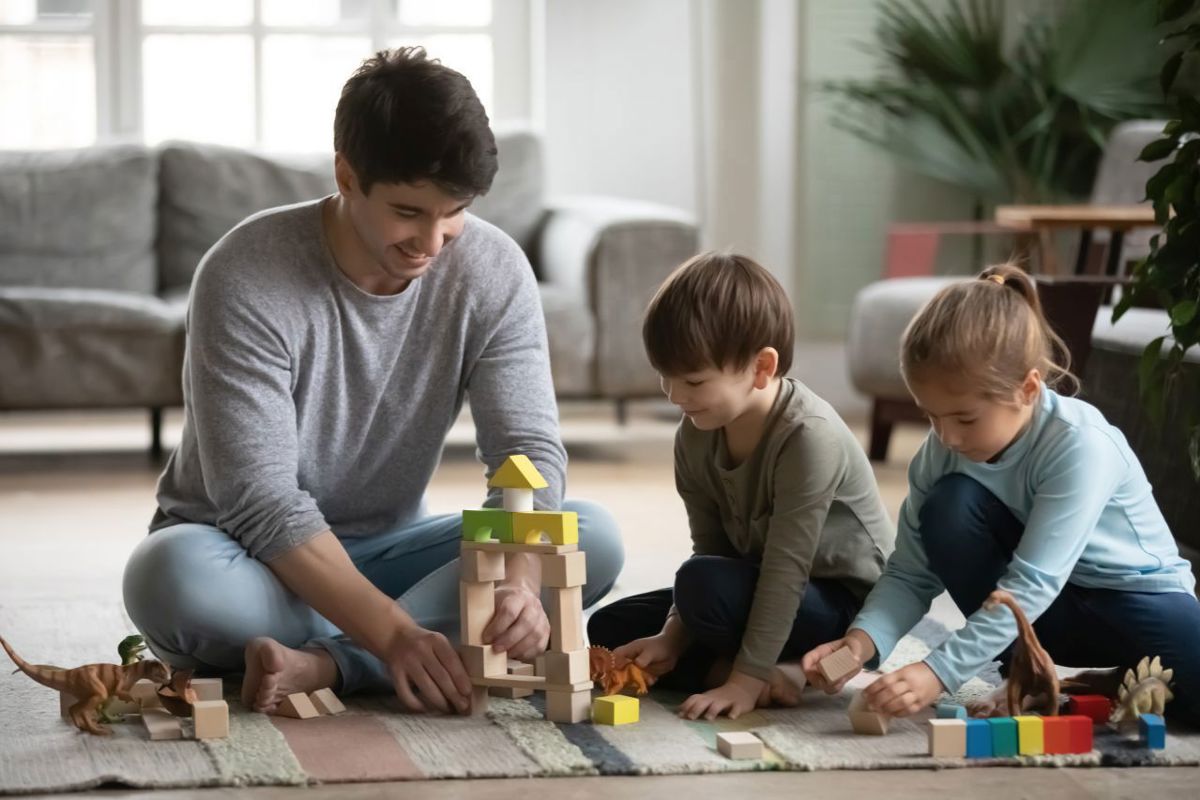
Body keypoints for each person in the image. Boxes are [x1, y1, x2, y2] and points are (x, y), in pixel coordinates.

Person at [122, 48, 623, 716]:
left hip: (389, 549)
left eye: (455, 213)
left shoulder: (493, 270)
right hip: (243, 554)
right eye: (409, 212)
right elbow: (261, 502)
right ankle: (407, 640)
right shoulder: (245, 273)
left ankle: (329, 662)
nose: (433, 241)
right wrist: (395, 632)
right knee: (168, 578)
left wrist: (518, 582)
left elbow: (526, 453)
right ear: (347, 176)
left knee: (589, 536)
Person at [801, 264, 1200, 726]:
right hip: (1039, 614)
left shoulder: (1079, 445)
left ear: (1028, 388)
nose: (946, 436)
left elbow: (1034, 583)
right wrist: (860, 642)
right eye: (932, 416)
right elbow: (911, 571)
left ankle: (1097, 681)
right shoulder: (940, 453)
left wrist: (938, 671)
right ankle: (1025, 670)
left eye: (965, 419)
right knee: (948, 506)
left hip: (1132, 598)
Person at [587, 251, 895, 720]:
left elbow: (785, 572)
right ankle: (781, 669)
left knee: (702, 587)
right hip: (755, 585)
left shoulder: (808, 437)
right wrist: (670, 638)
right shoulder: (695, 433)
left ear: (762, 368)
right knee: (611, 626)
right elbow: (712, 551)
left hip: (839, 604)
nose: (674, 395)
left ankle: (759, 670)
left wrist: (743, 685)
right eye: (665, 377)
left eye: (693, 379)